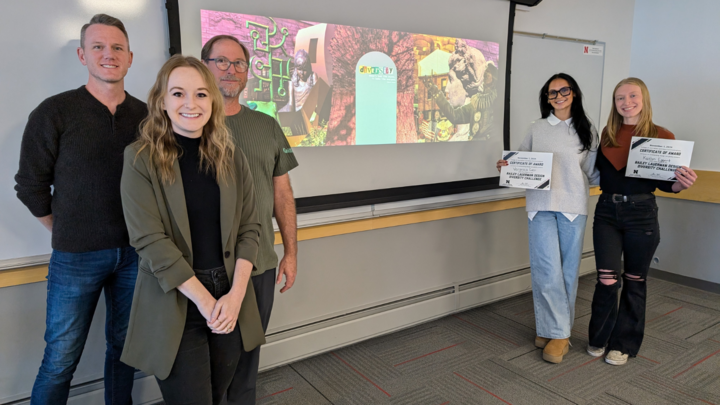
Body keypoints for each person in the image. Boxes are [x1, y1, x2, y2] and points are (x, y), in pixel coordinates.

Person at [118, 55, 266, 404]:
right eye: (179, 93)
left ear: (212, 101)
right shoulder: (140, 158)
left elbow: (250, 227)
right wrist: (205, 301)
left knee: (217, 395)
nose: (191, 104)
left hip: (230, 293)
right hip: (178, 299)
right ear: (162, 102)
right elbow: (149, 240)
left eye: (201, 94)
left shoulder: (232, 156)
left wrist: (235, 297)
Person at [14, 14, 145, 404]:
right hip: (75, 256)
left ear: (130, 57)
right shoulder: (54, 112)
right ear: (82, 55)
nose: (109, 54)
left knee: (125, 352)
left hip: (137, 256)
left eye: (117, 47)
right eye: (99, 47)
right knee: (59, 359)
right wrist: (64, 227)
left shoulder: (148, 116)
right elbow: (30, 184)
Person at [201, 35, 300, 404]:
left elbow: (282, 194)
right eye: (221, 61)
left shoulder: (266, 125)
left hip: (258, 265)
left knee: (246, 361)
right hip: (203, 271)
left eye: (238, 63)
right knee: (207, 366)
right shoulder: (187, 125)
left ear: (247, 73)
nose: (230, 70)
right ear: (204, 67)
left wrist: (290, 252)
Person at [586, 78, 697, 366]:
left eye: (633, 96)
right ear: (615, 103)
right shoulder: (606, 135)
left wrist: (681, 184)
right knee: (606, 279)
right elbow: (592, 172)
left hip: (642, 214)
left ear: (644, 99)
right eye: (620, 98)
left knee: (635, 280)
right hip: (607, 213)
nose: (626, 102)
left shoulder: (662, 135)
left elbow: (665, 185)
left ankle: (623, 344)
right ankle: (599, 337)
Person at [496, 73, 599, 364]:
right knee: (546, 271)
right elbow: (520, 162)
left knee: (566, 273)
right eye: (552, 93)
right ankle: (555, 330)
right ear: (547, 98)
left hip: (573, 207)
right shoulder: (537, 128)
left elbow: (592, 173)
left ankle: (557, 333)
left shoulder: (586, 129)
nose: (558, 96)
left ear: (574, 93)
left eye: (563, 90)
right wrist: (507, 166)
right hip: (539, 206)